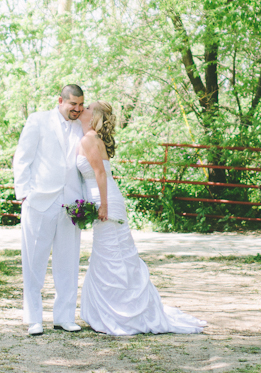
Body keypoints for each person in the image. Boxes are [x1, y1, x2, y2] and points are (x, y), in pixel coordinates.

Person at [77, 101, 206, 335]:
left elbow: (99, 173)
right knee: (113, 255)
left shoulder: (89, 139)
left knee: (111, 255)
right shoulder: (91, 138)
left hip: (105, 200)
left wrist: (103, 205)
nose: (82, 110)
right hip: (104, 198)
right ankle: (122, 308)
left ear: (94, 116)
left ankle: (123, 313)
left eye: (87, 108)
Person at [12, 84, 86, 336]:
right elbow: (23, 157)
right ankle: (34, 318)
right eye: (72, 104)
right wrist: (24, 194)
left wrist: (85, 200)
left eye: (80, 104)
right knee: (34, 261)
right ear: (61, 101)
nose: (77, 109)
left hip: (71, 204)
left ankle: (64, 317)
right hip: (39, 201)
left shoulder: (83, 126)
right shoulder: (38, 120)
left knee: (68, 262)